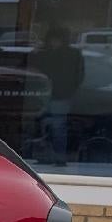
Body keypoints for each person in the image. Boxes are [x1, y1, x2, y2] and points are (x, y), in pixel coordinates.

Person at [31, 24, 84, 161]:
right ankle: (46, 156)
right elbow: (33, 71)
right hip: (43, 96)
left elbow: (78, 76)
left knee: (58, 127)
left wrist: (68, 90)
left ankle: (59, 157)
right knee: (44, 126)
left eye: (57, 39)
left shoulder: (72, 55)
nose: (54, 42)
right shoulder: (44, 54)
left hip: (60, 96)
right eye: (52, 39)